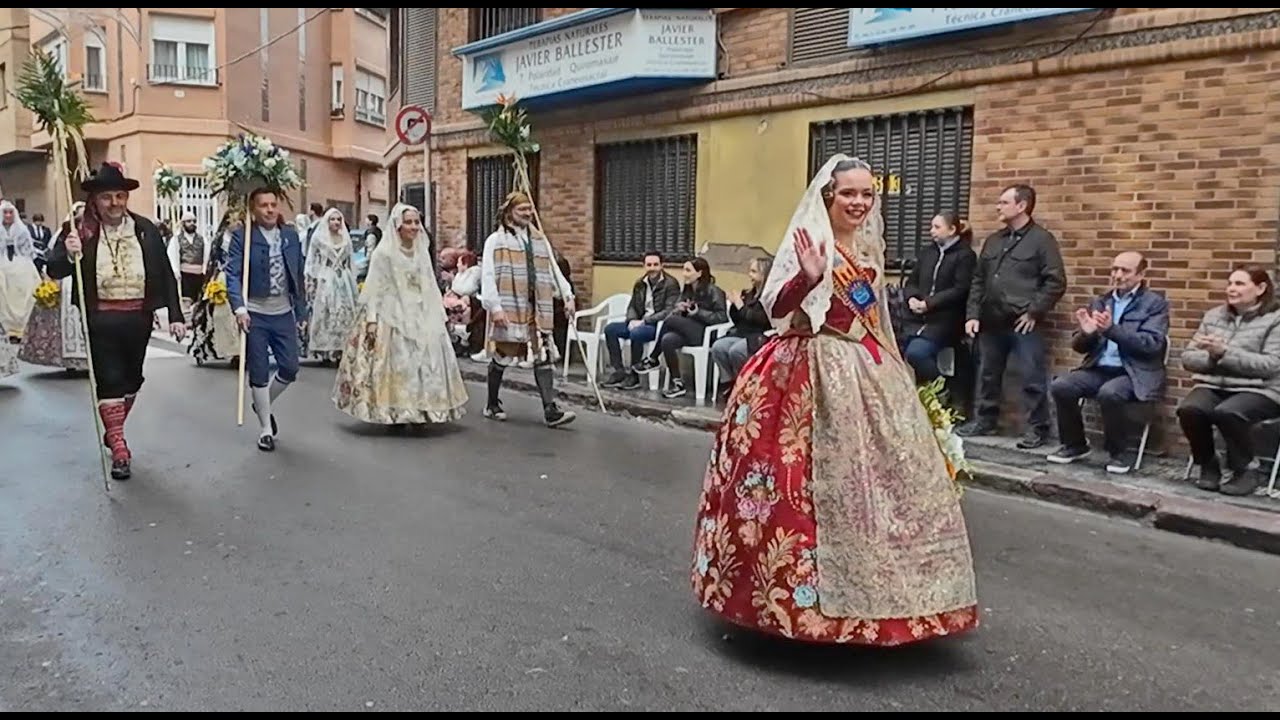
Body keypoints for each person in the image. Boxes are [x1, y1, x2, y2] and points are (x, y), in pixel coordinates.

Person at [690, 154, 979, 646]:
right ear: (829, 196)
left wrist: (895, 372)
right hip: (805, 366)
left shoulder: (868, 250)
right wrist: (807, 276)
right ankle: (798, 604)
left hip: (864, 367)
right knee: (797, 482)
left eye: (867, 194)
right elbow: (775, 309)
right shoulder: (810, 242)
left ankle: (898, 597)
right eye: (849, 193)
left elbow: (873, 321)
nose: (860, 202)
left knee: (889, 480)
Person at [45, 162, 185, 480]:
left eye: (120, 196)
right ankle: (120, 450)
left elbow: (164, 273)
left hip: (138, 317)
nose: (114, 203)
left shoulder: (145, 229)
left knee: (132, 380)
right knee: (109, 380)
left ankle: (114, 428)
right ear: (95, 199)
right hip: (100, 318)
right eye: (107, 197)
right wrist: (68, 253)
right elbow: (54, 269)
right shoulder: (79, 229)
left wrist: (175, 316)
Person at [332, 203, 468, 427]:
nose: (414, 227)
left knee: (424, 361)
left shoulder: (421, 250)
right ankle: (396, 409)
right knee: (397, 362)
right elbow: (375, 288)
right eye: (409, 222)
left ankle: (421, 410)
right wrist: (373, 321)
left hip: (420, 311)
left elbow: (428, 283)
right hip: (391, 313)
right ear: (397, 226)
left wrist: (437, 312)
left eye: (416, 222)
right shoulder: (384, 253)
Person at [1177, 266, 1280, 496]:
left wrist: (1225, 353)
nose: (1232, 289)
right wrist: (1213, 356)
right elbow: (1188, 358)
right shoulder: (1214, 316)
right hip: (1216, 384)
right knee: (1190, 409)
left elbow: (1271, 365)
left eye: (1240, 284)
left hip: (1262, 389)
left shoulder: (1276, 320)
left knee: (1229, 412)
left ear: (1261, 288)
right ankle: (1208, 464)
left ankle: (1246, 470)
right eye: (1230, 283)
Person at [478, 190, 577, 427]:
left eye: (529, 209)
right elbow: (488, 275)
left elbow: (553, 269)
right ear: (509, 213)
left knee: (543, 354)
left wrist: (567, 296)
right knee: (504, 356)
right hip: (511, 305)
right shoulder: (495, 240)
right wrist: (495, 307)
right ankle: (492, 403)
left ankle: (550, 410)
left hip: (538, 305)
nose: (527, 214)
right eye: (522, 209)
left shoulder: (540, 240)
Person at [224, 188, 308, 452]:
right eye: (263, 205)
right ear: (253, 209)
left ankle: (262, 404)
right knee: (259, 371)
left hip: (283, 312)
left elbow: (299, 273)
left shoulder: (290, 236)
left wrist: (302, 311)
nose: (270, 210)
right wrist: (239, 308)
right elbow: (233, 274)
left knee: (290, 368)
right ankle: (265, 429)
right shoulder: (243, 237)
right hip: (255, 314)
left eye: (273, 204)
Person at [18, 202, 91, 372]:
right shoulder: (66, 235)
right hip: (68, 282)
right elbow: (55, 260)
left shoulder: (93, 232)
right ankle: (71, 360)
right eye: (78, 218)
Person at [303, 207, 359, 364]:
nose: (336, 222)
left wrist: (352, 278)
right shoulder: (319, 239)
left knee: (346, 312)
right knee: (326, 311)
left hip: (343, 278)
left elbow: (350, 261)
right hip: (326, 277)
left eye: (338, 220)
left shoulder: (346, 240)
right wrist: (311, 278)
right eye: (332, 219)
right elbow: (311, 260)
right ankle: (325, 349)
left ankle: (342, 347)